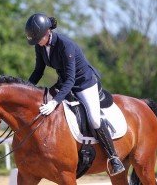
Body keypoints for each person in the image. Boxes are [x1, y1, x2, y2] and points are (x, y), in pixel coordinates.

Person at [25, 13, 125, 176]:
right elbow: (38, 71)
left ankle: (113, 158)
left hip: (84, 83)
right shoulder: (40, 45)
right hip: (64, 82)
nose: (37, 43)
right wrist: (26, 89)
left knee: (94, 118)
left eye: (38, 39)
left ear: (47, 32)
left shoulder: (66, 45)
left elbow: (71, 80)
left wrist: (54, 102)